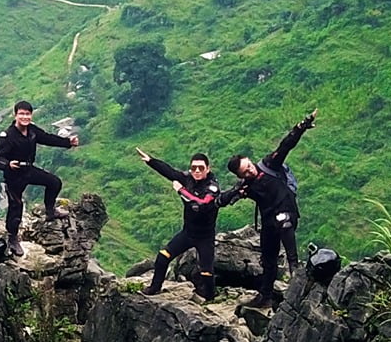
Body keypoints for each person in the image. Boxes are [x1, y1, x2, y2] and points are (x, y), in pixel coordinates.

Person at [222, 109, 317, 306]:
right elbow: (226, 198)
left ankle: (294, 269)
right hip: (268, 220)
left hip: (286, 210)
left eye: (249, 165)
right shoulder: (245, 186)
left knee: (285, 223)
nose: (250, 170)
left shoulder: (269, 164)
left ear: (250, 160)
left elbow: (285, 146)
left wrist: (301, 127)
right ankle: (265, 296)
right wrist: (224, 197)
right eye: (245, 171)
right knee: (268, 258)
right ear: (240, 176)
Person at [0, 100, 79, 256]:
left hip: (28, 169)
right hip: (14, 175)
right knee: (16, 206)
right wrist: (8, 164)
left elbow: (47, 138)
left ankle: (50, 211)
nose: (25, 117)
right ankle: (13, 239)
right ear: (16, 115)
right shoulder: (8, 135)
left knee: (54, 182)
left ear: (31, 115)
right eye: (22, 114)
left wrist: (68, 142)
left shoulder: (32, 131)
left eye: (27, 114)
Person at [136, 148, 222, 300]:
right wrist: (151, 161)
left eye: (201, 168)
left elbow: (199, 205)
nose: (196, 171)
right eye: (193, 167)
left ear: (208, 169)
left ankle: (210, 299)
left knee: (206, 272)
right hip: (188, 233)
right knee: (163, 256)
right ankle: (154, 288)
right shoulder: (188, 178)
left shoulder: (212, 187)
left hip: (205, 237)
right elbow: (170, 172)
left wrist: (181, 191)